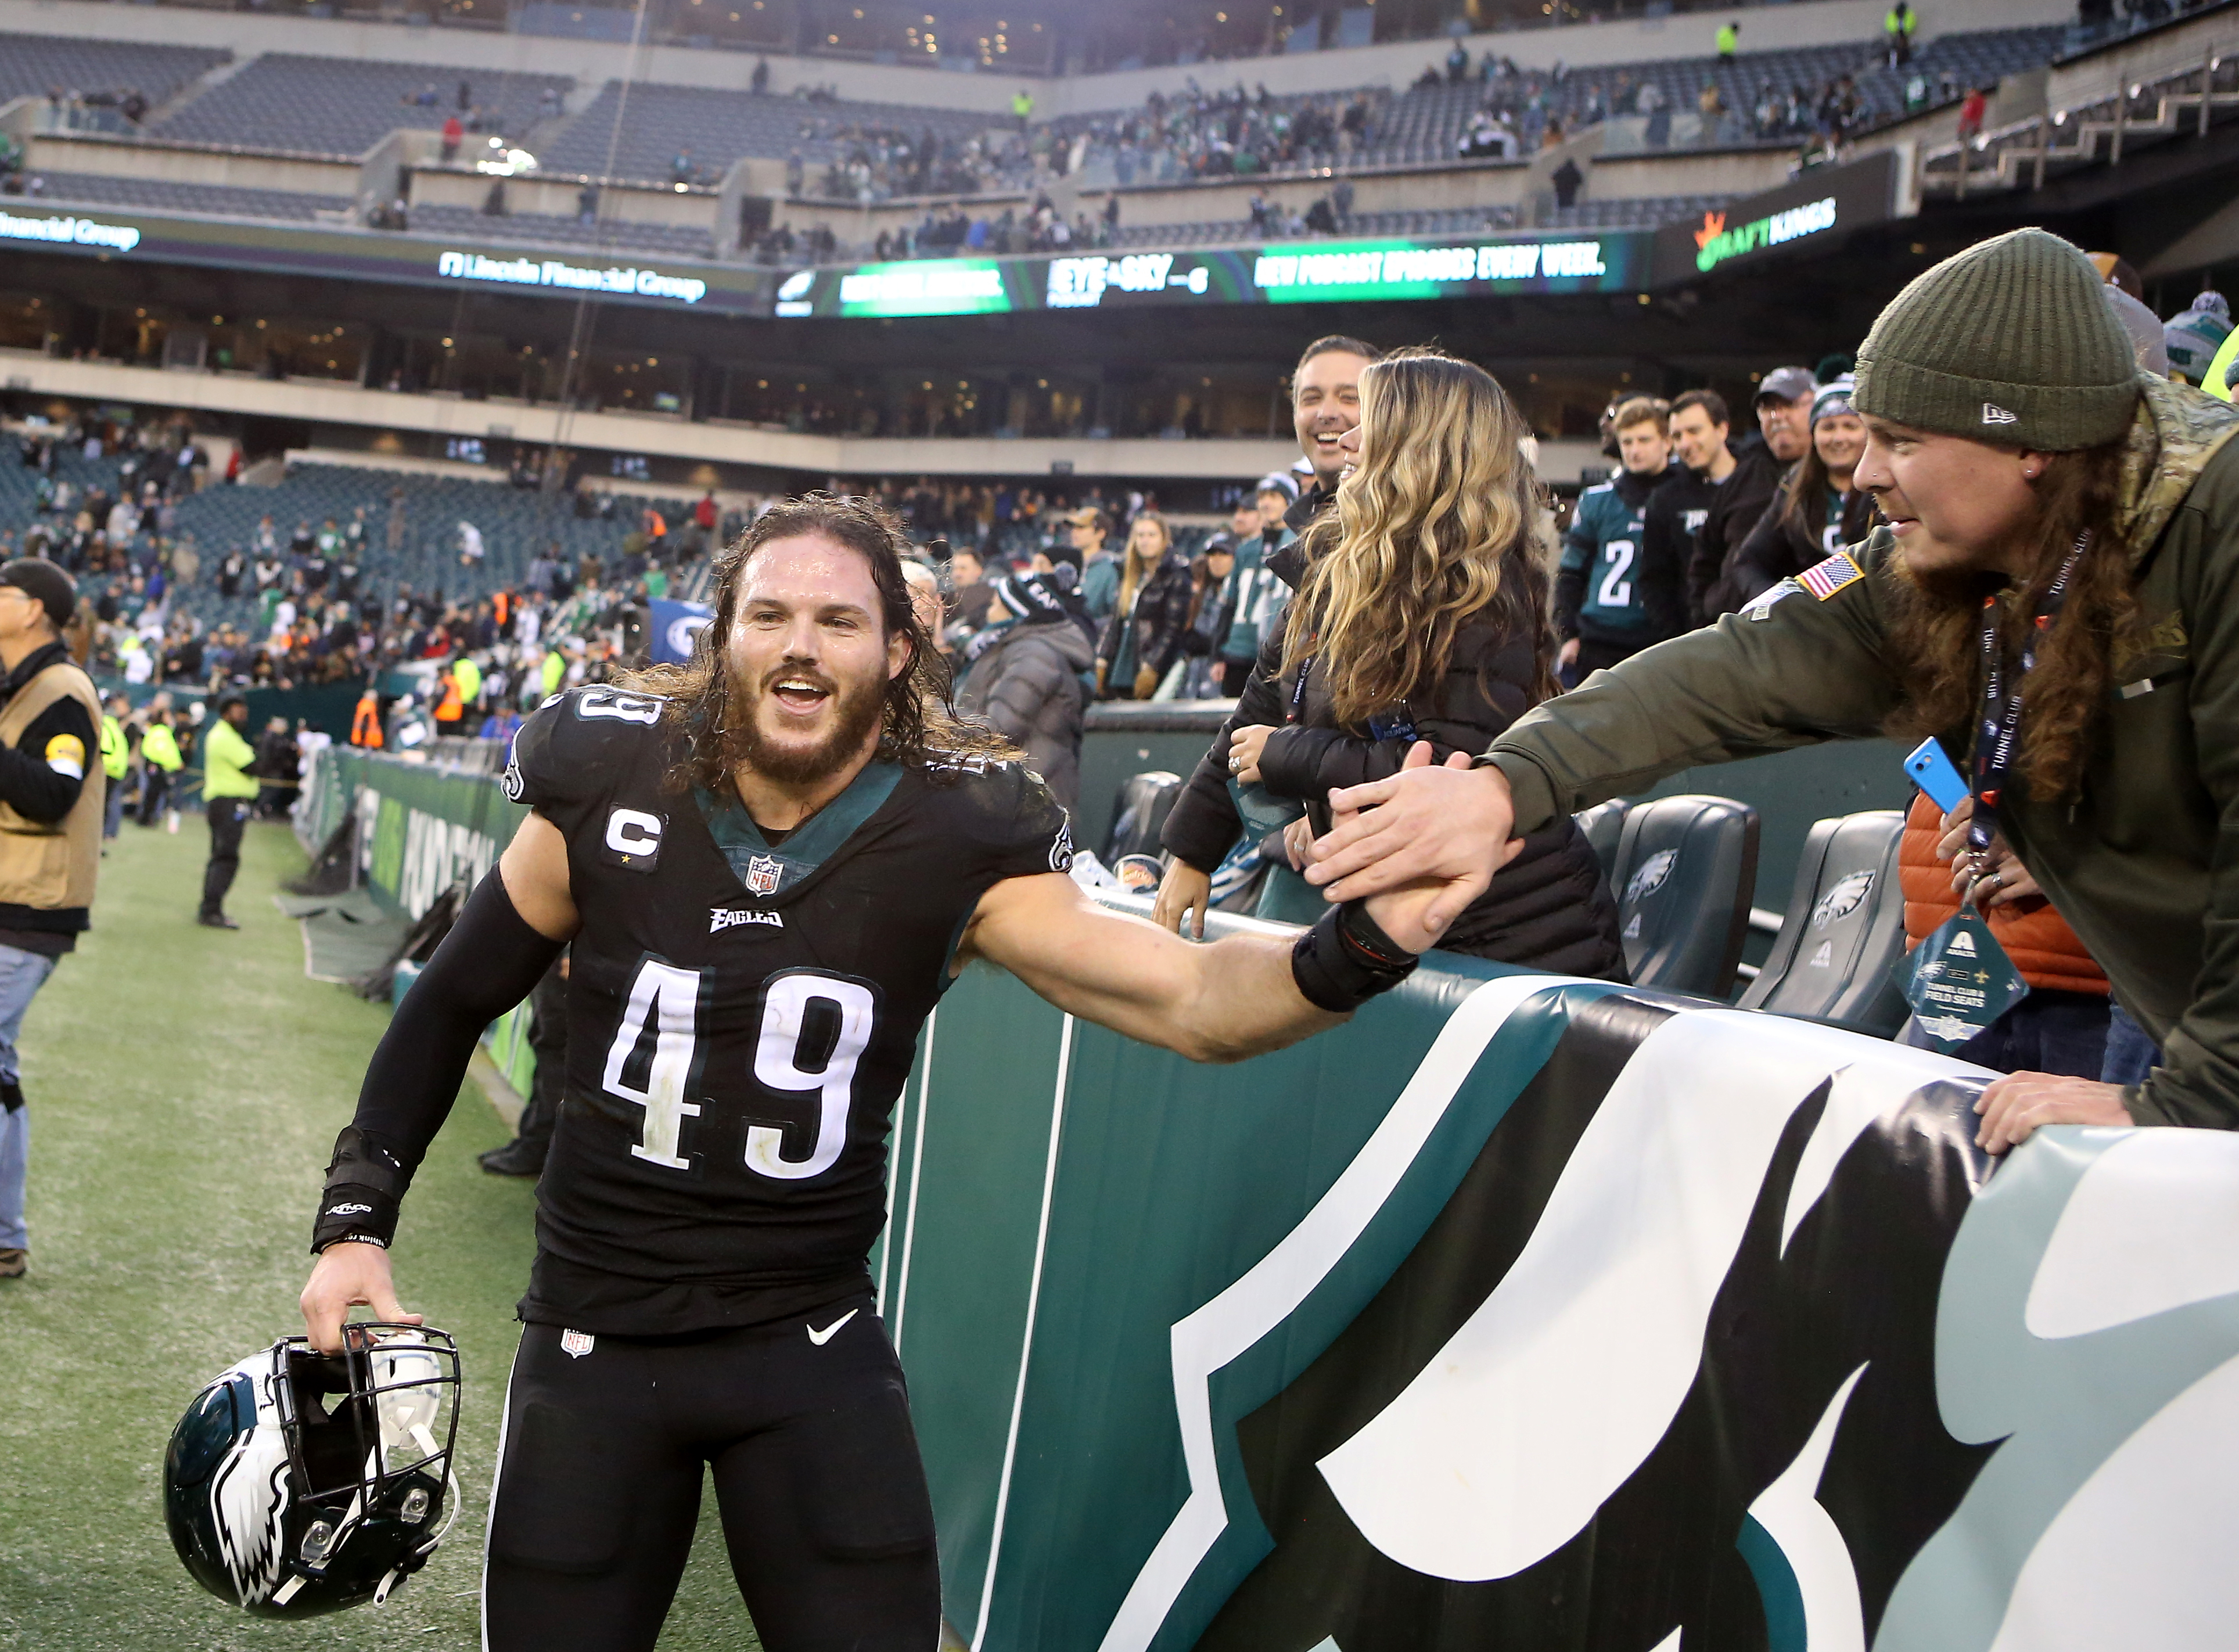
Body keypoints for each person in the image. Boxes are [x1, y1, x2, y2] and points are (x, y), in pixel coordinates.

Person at [296, 495, 1438, 1649]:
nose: (800, 643)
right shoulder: (610, 773)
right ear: (726, 638)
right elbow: (449, 999)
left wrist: (1361, 948)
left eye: (838, 621)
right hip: (595, 1339)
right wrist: (354, 1219)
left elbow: (1191, 1002)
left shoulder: (958, 829)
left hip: (806, 1344)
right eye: (770, 613)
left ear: (897, 652)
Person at [1300, 228, 2239, 1154]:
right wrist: (1507, 783)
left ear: (2030, 444)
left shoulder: (2218, 521)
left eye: (1903, 442)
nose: (1867, 475)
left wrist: (2193, 1100)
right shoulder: (1954, 557)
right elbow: (1734, 668)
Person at [1155, 351, 1626, 974]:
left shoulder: (1483, 592)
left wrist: (1286, 756)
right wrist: (1191, 855)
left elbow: (1448, 774)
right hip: (1407, 920)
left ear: (1419, 446)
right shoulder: (1333, 566)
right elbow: (1252, 718)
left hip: (1516, 939)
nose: (1344, 438)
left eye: (1366, 421)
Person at [0, 561, 103, 1280]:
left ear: (34, 609)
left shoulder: (61, 692)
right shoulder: (24, 682)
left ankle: (7, 1233)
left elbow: (52, 795)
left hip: (29, 909)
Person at [1727, 375, 1877, 605]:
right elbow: (1748, 561)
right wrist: (1781, 607)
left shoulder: (1888, 487)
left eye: (1850, 426)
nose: (1838, 438)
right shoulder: (1793, 489)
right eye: (1828, 427)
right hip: (1814, 627)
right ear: (1813, 435)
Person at [954, 570, 1097, 808]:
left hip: (1029, 802)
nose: (989, 611)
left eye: (996, 604)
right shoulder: (1017, 647)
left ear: (1016, 611)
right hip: (1019, 796)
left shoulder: (1034, 655)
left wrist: (935, 718)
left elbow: (999, 730)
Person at [1557, 395, 1674, 679]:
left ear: (1667, 442)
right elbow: (1572, 573)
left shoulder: (1682, 499)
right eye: (1627, 442)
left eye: (1644, 440)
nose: (1634, 450)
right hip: (1600, 637)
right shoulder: (1597, 500)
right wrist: (1568, 632)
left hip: (1660, 637)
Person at [1693, 365, 1814, 618]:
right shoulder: (1743, 475)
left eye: (1789, 405)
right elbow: (1705, 556)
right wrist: (1704, 610)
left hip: (1810, 627)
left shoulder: (1841, 475)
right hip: (1735, 627)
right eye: (1768, 409)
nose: (1777, 416)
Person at [1096, 512, 1195, 700]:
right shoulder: (1129, 574)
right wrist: (1102, 660)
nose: (1145, 541)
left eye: (1151, 535)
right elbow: (1116, 622)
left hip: (1153, 663)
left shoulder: (1178, 573)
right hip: (1123, 659)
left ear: (1164, 539)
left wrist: (1152, 666)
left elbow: (1173, 629)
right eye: (1140, 536)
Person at [198, 695, 258, 930]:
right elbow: (252, 766)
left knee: (222, 856)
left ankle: (211, 908)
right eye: (238, 712)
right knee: (225, 857)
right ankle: (211, 910)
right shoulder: (224, 737)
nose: (243, 717)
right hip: (228, 803)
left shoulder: (228, 736)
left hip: (227, 803)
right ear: (225, 713)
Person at [98, 692, 128, 841]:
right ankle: (109, 833)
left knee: (101, 806)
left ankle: (103, 834)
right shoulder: (115, 727)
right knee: (112, 803)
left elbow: (105, 748)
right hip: (117, 770)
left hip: (107, 769)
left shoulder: (104, 725)